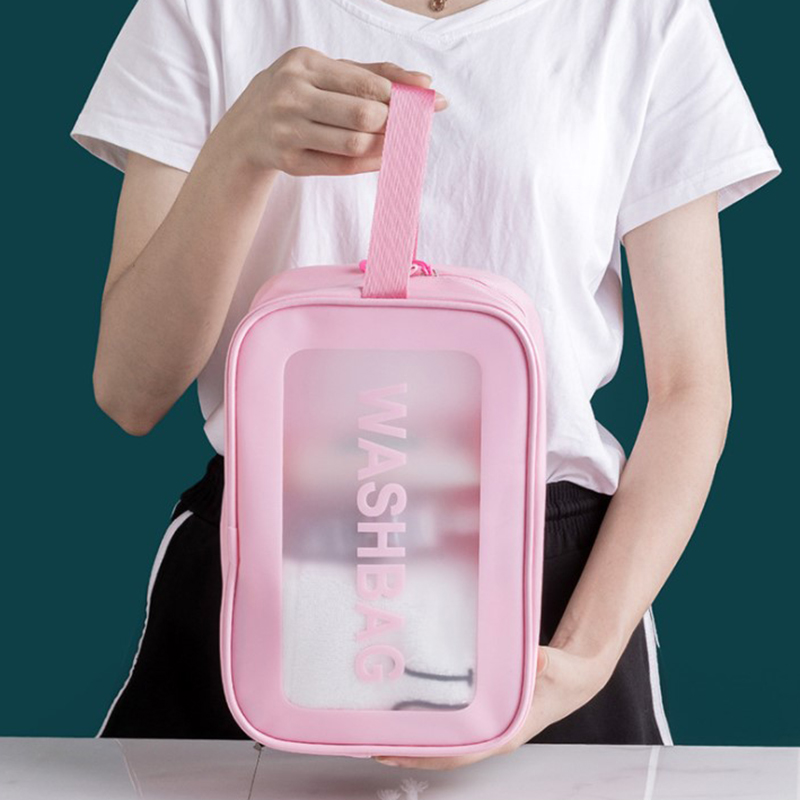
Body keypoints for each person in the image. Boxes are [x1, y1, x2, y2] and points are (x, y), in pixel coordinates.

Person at [70, 0, 780, 770]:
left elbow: (690, 391)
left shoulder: (647, 16)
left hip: (551, 590)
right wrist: (238, 152)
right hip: (268, 567)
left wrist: (581, 658)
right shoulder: (203, 10)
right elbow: (129, 391)